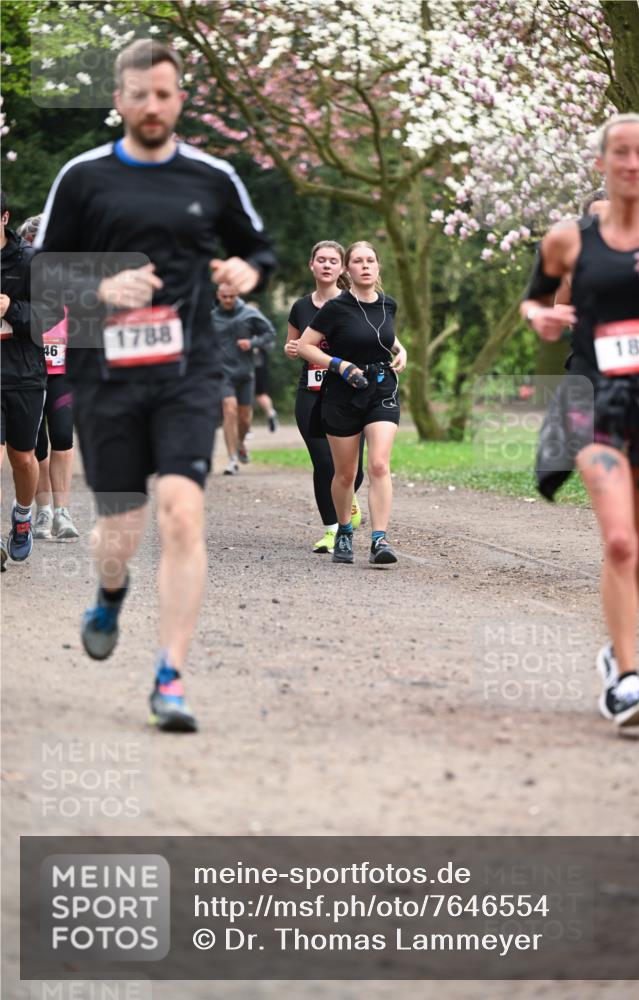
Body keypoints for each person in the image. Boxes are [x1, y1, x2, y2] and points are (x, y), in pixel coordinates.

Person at [33, 39, 276, 731]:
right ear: (119, 99)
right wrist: (103, 284)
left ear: (179, 98)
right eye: (138, 94)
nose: (151, 106)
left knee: (180, 511)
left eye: (163, 94)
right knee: (120, 530)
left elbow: (259, 247)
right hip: (106, 378)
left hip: (187, 371)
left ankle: (169, 674)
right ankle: (110, 594)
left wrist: (246, 272)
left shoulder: (211, 177)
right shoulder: (82, 179)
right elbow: (42, 279)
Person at [521, 113, 639, 728]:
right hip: (592, 396)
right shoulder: (569, 238)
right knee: (618, 540)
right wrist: (541, 318)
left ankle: (616, 653)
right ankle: (628, 680)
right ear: (602, 163)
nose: (632, 165)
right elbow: (535, 296)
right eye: (621, 154)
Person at [297, 241, 407, 565]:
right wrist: (339, 365)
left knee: (378, 465)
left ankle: (379, 540)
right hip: (342, 392)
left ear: (378, 266)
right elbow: (305, 346)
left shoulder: (389, 305)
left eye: (370, 260)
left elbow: (386, 338)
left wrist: (402, 352)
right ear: (348, 269)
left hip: (381, 389)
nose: (365, 266)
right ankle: (344, 529)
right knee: (345, 474)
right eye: (357, 261)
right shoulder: (335, 308)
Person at [285, 241, 364, 554]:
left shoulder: (355, 303)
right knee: (323, 463)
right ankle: (332, 530)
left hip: (350, 393)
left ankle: (348, 496)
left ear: (342, 267)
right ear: (312, 265)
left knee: (352, 470)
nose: (328, 265)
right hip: (311, 392)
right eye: (322, 260)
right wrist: (291, 349)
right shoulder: (300, 307)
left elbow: (379, 336)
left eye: (334, 260)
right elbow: (292, 347)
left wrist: (401, 350)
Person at [17, 215, 79, 541]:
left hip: (62, 370)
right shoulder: (15, 277)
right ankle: (42, 513)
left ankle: (63, 513)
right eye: (33, 243)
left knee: (63, 435)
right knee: (35, 443)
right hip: (26, 368)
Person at [0, 191, 47, 570]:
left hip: (23, 372)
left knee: (22, 458)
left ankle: (22, 516)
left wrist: (11, 309)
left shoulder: (31, 261)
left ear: (4, 218)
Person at [211, 283, 276, 474]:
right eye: (225, 297)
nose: (229, 300)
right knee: (229, 410)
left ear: (237, 294)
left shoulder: (249, 313)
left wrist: (252, 342)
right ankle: (232, 460)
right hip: (223, 373)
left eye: (232, 296)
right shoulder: (212, 318)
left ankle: (240, 443)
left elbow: (270, 333)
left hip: (246, 373)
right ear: (219, 296)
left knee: (245, 419)